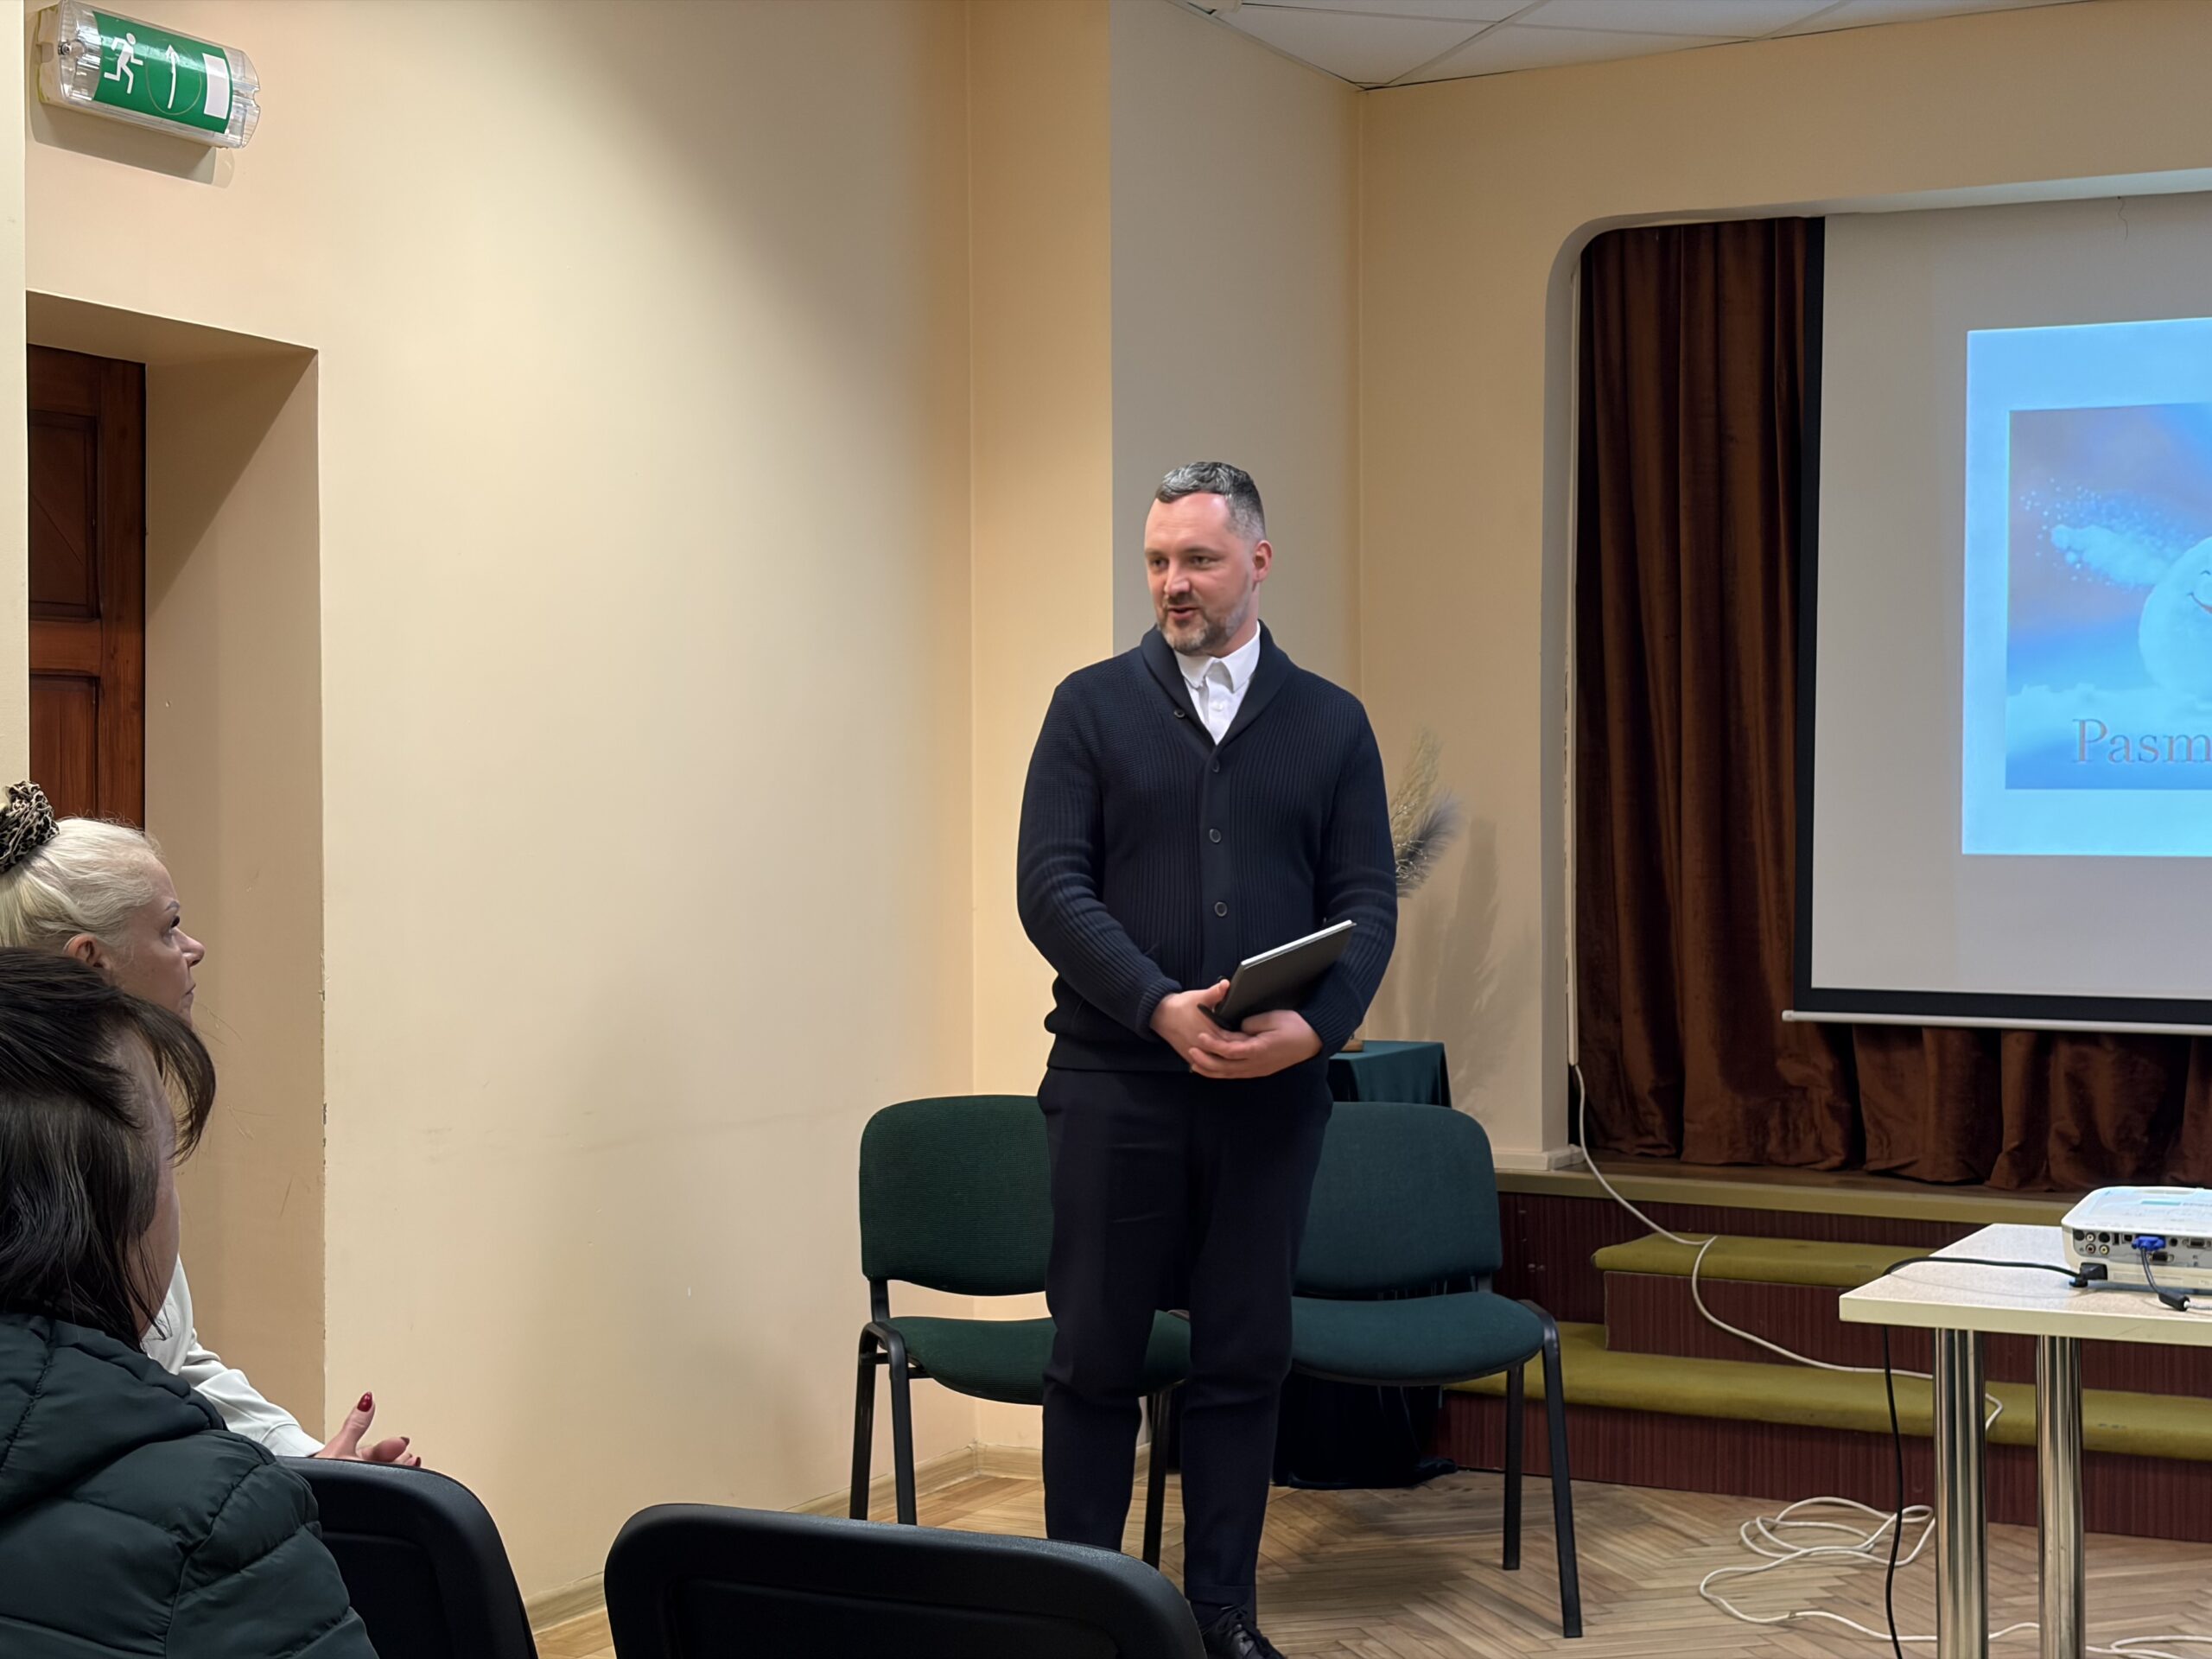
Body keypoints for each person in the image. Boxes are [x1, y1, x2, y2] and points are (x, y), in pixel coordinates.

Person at [1016, 461, 1396, 1659]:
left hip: (1270, 1099)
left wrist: (1315, 1031)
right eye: (1157, 561)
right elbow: (1050, 886)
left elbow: (1367, 901)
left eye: (1198, 559)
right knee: (1092, 1359)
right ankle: (1084, 1621)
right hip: (1112, 1085)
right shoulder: (1089, 707)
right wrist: (1156, 1007)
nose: (1172, 583)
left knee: (1243, 1358)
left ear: (1259, 562)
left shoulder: (1331, 723)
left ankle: (1222, 1615)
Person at [0, 781, 414, 1465]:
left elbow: (172, 1355)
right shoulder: (56, 1145)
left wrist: (305, 1462)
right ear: (89, 960)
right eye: (168, 928)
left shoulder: (126, 1104)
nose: (193, 948)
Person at [0, 948, 378, 1657]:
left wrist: (299, 1464)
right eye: (168, 1159)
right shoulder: (216, 1534)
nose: (193, 947)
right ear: (107, 1207)